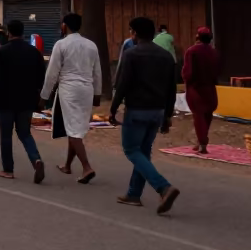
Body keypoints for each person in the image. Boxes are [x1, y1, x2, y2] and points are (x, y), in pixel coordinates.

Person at [110, 17, 180, 214]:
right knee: (143, 151)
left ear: (135, 33)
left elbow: (122, 85)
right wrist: (167, 115)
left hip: (137, 110)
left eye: (131, 31)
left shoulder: (132, 54)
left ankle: (163, 187)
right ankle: (133, 194)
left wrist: (113, 109)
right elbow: (171, 89)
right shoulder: (166, 56)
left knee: (131, 150)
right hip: (157, 111)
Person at [41, 13, 102, 184]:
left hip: (69, 89)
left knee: (73, 129)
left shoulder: (61, 44)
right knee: (75, 127)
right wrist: (97, 94)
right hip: (87, 90)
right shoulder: (91, 45)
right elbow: (97, 71)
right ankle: (67, 165)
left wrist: (44, 96)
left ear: (65, 26)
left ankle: (87, 167)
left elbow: (52, 73)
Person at [0, 20, 46, 182]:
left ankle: (8, 169)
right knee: (25, 133)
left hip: (6, 100)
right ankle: (36, 160)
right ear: (23, 32)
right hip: (27, 100)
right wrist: (41, 98)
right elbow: (42, 78)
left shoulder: (2, 51)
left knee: (6, 135)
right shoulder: (34, 52)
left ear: (9, 33)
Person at [181, 27, 220, 154]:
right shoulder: (214, 52)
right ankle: (201, 140)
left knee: (198, 116)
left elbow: (188, 72)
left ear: (197, 37)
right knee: (208, 114)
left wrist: (187, 82)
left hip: (196, 88)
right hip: (210, 87)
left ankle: (202, 141)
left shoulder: (192, 51)